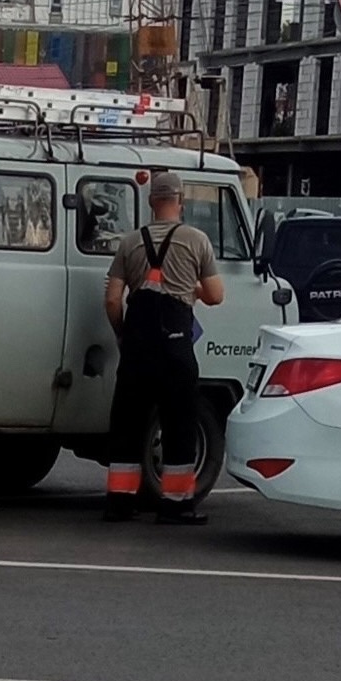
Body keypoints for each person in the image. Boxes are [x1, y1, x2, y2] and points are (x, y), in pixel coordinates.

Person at [103, 170, 224, 524]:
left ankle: (120, 502)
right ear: (180, 201)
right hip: (175, 348)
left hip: (137, 348)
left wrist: (123, 334)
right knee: (179, 422)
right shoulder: (196, 240)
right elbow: (216, 296)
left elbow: (112, 299)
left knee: (127, 422)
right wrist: (189, 290)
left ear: (152, 202)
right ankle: (175, 505)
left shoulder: (129, 242)